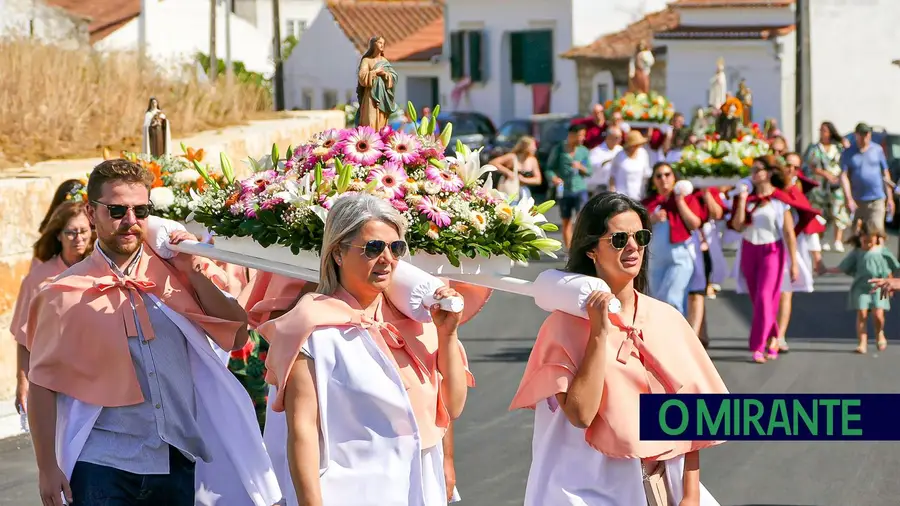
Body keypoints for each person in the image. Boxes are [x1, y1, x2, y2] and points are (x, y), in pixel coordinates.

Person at [25, 159, 281, 506]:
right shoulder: (63, 292)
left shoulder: (178, 270)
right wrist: (46, 468)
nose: (130, 222)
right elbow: (42, 383)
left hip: (175, 461)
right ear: (91, 211)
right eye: (117, 210)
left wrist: (191, 269)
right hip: (102, 461)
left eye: (140, 211)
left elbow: (236, 335)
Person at [509, 191, 728, 506]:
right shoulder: (563, 326)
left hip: (663, 486)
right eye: (618, 239)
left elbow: (694, 412)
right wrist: (599, 332)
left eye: (640, 236)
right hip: (584, 492)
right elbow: (581, 414)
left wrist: (690, 494)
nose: (633, 246)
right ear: (592, 250)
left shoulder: (665, 318)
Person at [258, 194, 474, 506]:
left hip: (420, 485)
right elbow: (302, 431)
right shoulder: (310, 326)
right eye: (373, 248)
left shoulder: (419, 320)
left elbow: (452, 406)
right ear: (338, 254)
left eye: (396, 248)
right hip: (350, 491)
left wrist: (447, 333)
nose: (387, 258)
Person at [9, 201, 94, 418]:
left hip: (96, 376)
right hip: (54, 379)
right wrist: (22, 381)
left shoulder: (100, 269)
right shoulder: (38, 279)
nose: (79, 238)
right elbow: (24, 336)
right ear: (59, 235)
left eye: (84, 231)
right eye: (71, 233)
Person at [729, 156, 802, 363]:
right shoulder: (748, 199)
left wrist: (794, 263)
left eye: (758, 169)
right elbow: (738, 226)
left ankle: (758, 346)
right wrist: (742, 200)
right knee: (759, 301)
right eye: (752, 170)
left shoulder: (779, 200)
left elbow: (789, 233)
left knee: (763, 297)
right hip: (750, 250)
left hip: (772, 250)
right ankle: (774, 338)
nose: (754, 173)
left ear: (769, 173)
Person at [775, 152, 825, 352]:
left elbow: (809, 225)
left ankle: (779, 336)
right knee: (768, 294)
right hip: (769, 247)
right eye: (788, 165)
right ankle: (768, 332)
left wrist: (817, 257)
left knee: (786, 293)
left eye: (796, 168)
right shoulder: (773, 189)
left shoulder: (798, 192)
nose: (791, 170)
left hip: (791, 247)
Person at [827, 220, 900, 354]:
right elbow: (843, 267)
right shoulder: (857, 252)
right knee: (862, 313)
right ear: (860, 238)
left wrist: (891, 283)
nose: (867, 244)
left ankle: (879, 333)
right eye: (864, 241)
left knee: (878, 315)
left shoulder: (882, 251)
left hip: (879, 288)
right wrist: (824, 269)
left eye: (870, 242)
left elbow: (893, 267)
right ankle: (862, 341)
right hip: (861, 288)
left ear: (877, 239)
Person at [641, 163, 703, 315]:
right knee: (655, 303)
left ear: (674, 177)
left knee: (671, 299)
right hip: (655, 260)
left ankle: (675, 337)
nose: (664, 179)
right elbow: (635, 228)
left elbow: (695, 223)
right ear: (653, 181)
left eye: (667, 174)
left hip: (680, 258)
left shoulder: (687, 199)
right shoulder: (648, 203)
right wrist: (651, 219)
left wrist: (680, 201)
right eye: (659, 176)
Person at [805, 121, 850, 253]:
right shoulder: (815, 148)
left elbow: (846, 158)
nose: (821, 133)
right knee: (821, 212)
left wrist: (842, 141)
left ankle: (837, 240)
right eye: (820, 130)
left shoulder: (837, 148)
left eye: (824, 130)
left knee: (838, 210)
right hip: (820, 186)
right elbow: (811, 166)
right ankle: (822, 238)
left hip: (835, 185)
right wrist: (825, 174)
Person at [545, 124, 592, 249]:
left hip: (580, 189)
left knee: (582, 219)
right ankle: (570, 250)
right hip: (564, 190)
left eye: (583, 135)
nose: (582, 138)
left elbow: (589, 171)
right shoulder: (559, 149)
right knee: (566, 221)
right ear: (571, 135)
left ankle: (580, 247)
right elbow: (549, 169)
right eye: (580, 135)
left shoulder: (584, 151)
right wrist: (554, 178)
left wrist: (581, 167)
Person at [841, 122, 894, 232]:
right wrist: (848, 198)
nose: (864, 137)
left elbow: (885, 174)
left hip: (877, 199)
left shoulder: (877, 150)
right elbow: (844, 176)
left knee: (876, 232)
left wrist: (890, 198)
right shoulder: (848, 152)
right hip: (857, 201)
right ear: (856, 135)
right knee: (857, 234)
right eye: (861, 134)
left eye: (867, 134)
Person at [355, 35, 398, 130]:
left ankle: (381, 139)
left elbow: (394, 76)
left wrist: (385, 75)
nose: (382, 45)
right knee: (370, 119)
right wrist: (375, 72)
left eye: (383, 43)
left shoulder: (384, 61)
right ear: (373, 45)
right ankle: (369, 139)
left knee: (382, 122)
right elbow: (362, 76)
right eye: (380, 43)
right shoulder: (367, 60)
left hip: (383, 96)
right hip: (370, 96)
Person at [489, 136, 543, 203]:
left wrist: (524, 180)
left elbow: (538, 180)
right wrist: (508, 172)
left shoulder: (532, 160)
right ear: (526, 146)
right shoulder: (512, 157)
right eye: (533, 146)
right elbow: (493, 163)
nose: (535, 148)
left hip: (524, 190)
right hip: (510, 190)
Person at [609, 130, 652, 200]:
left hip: (639, 196)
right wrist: (612, 192)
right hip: (621, 196)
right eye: (635, 145)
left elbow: (646, 173)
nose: (637, 147)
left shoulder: (643, 153)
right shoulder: (619, 155)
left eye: (639, 144)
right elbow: (612, 175)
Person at [586, 125, 622, 196]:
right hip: (599, 188)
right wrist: (608, 161)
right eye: (617, 137)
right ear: (609, 137)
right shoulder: (596, 151)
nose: (620, 139)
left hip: (616, 188)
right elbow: (592, 167)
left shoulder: (620, 149)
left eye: (620, 137)